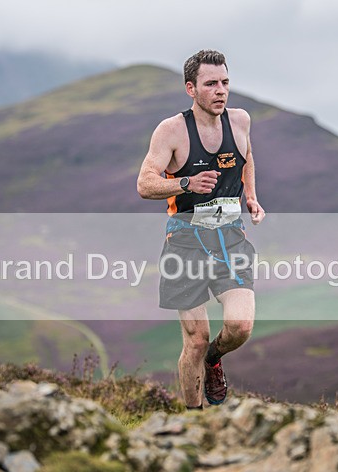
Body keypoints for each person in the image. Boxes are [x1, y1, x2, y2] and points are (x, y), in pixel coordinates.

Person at [137, 49, 265, 410]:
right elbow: (145, 184)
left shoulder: (240, 121)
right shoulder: (172, 131)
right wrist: (186, 183)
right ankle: (193, 421)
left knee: (239, 327)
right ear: (191, 89)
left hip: (230, 237)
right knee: (195, 339)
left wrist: (251, 196)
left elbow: (247, 156)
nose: (221, 90)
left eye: (225, 82)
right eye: (211, 84)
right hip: (185, 239)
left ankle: (214, 359)